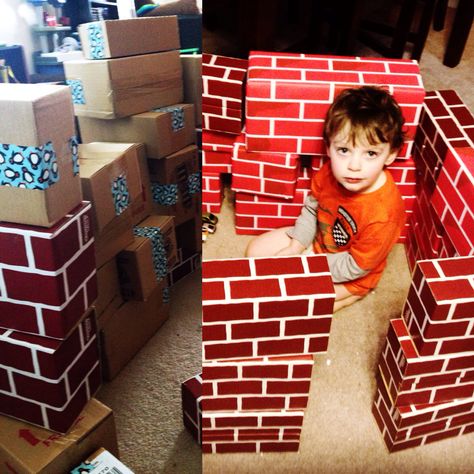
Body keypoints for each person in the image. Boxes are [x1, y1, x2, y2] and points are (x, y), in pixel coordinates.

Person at [245, 86, 407, 312]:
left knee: (295, 305)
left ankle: (354, 294)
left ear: (391, 154)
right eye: (344, 150)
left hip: (352, 271)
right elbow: (312, 209)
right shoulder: (330, 172)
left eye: (370, 153)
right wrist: (295, 247)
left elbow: (355, 266)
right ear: (328, 148)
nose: (354, 165)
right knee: (255, 251)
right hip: (318, 242)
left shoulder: (383, 214)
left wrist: (304, 267)